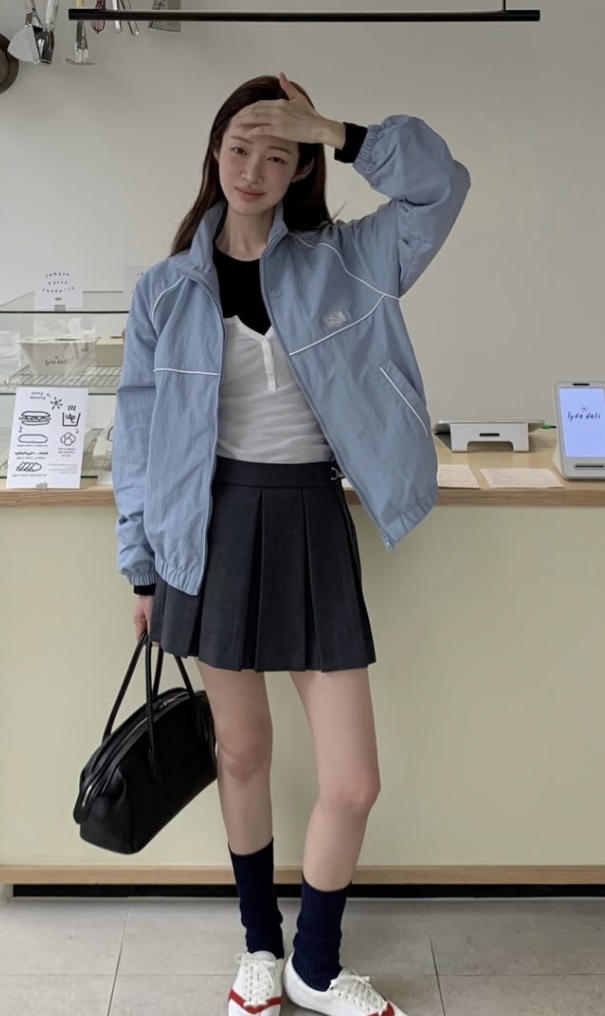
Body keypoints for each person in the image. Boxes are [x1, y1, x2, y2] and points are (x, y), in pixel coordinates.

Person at [112, 71, 470, 1016]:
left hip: (310, 516)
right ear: (214, 152)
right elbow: (139, 437)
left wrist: (341, 131)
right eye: (240, 147)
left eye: (279, 152)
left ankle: (315, 962)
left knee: (352, 779)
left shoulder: (347, 260)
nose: (254, 169)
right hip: (209, 527)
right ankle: (260, 949)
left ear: (303, 166)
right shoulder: (164, 290)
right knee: (241, 752)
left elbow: (442, 187)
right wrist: (141, 567)